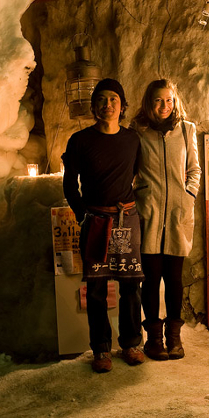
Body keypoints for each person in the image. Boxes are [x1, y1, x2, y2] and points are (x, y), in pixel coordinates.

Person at [62, 78, 145, 373]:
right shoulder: (80, 141)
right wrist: (81, 213)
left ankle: (131, 343)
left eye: (113, 99)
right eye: (101, 99)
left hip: (126, 219)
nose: (107, 104)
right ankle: (101, 349)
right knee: (96, 288)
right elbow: (69, 183)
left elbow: (138, 175)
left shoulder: (133, 140)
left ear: (122, 106)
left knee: (131, 286)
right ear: (93, 106)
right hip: (95, 219)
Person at [130, 79, 201, 361]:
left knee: (173, 279)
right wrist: (140, 195)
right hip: (149, 212)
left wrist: (188, 194)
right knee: (150, 279)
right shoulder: (138, 132)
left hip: (177, 214)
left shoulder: (186, 129)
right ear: (149, 102)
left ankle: (174, 337)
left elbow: (194, 169)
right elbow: (130, 170)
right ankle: (153, 339)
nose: (164, 106)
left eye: (169, 100)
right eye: (159, 100)